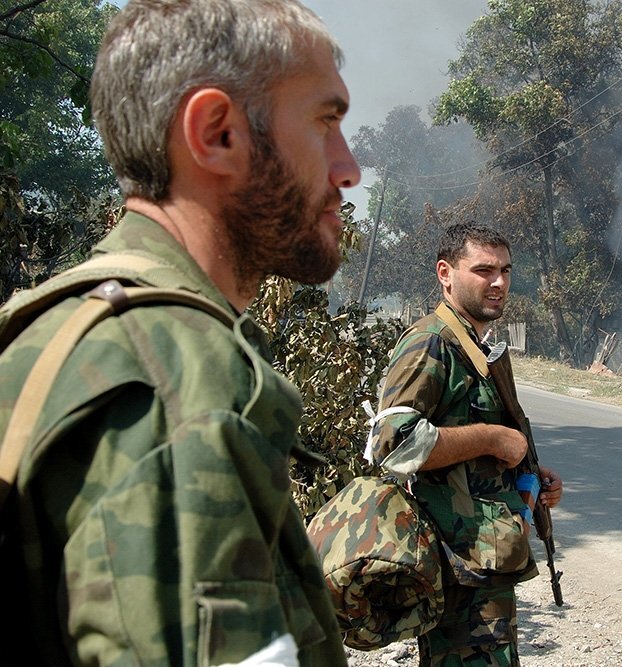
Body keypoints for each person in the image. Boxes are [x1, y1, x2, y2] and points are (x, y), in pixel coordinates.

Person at [0, 0, 360, 665]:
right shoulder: (180, 379)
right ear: (219, 133)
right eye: (326, 121)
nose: (348, 168)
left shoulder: (57, 322)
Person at [370, 222, 564, 666]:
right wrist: (493, 437)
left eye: (505, 270)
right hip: (454, 563)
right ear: (446, 273)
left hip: (480, 559)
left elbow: (476, 456)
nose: (498, 282)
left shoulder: (473, 345)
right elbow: (392, 444)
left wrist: (528, 478)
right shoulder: (432, 344)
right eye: (483, 270)